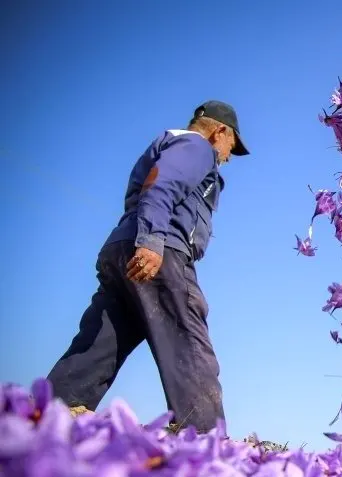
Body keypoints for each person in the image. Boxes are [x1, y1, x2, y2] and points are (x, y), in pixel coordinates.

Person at [46, 100, 249, 433]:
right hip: (160, 250)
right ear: (220, 131)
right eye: (231, 146)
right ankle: (205, 441)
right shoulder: (196, 146)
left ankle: (51, 411)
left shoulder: (169, 143)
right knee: (188, 342)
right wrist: (152, 241)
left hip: (123, 245)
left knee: (104, 338)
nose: (228, 155)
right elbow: (163, 183)